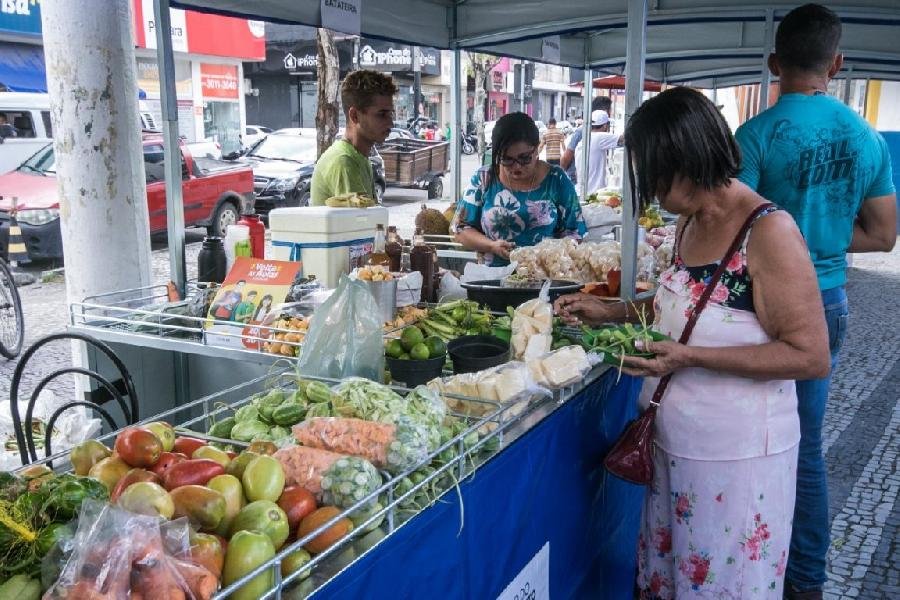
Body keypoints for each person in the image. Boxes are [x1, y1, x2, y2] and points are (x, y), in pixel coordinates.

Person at [556, 87, 830, 598]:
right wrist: (610, 310)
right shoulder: (687, 222)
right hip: (674, 445)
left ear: (691, 158)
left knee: (721, 582)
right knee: (674, 579)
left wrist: (689, 358)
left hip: (737, 457)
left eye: (657, 173)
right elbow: (682, 307)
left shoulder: (767, 231)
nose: (651, 189)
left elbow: (810, 354)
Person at [734, 5, 896, 597]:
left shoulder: (754, 135)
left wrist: (781, 247)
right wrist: (815, 242)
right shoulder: (866, 137)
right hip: (827, 302)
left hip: (758, 304)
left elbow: (732, 228)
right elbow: (883, 235)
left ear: (774, 62)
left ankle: (746, 554)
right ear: (837, 63)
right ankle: (805, 580)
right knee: (805, 447)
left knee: (746, 438)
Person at [453, 112, 586, 266]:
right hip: (492, 278)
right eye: (507, 159)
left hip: (546, 280)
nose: (516, 167)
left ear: (536, 149)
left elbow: (575, 232)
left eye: (524, 158)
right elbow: (461, 229)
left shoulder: (557, 179)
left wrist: (548, 256)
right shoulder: (484, 178)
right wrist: (491, 246)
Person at [310, 70, 397, 205]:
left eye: (390, 114)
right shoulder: (343, 162)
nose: (390, 123)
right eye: (382, 114)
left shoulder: (361, 158)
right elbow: (362, 223)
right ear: (355, 116)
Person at [561, 95, 612, 181]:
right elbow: (565, 160)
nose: (610, 115)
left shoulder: (599, 132)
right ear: (604, 112)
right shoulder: (582, 131)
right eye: (609, 112)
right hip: (577, 182)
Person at [574, 110, 623, 195]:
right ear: (605, 126)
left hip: (580, 192)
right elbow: (624, 139)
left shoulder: (584, 140)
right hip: (593, 194)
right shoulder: (599, 137)